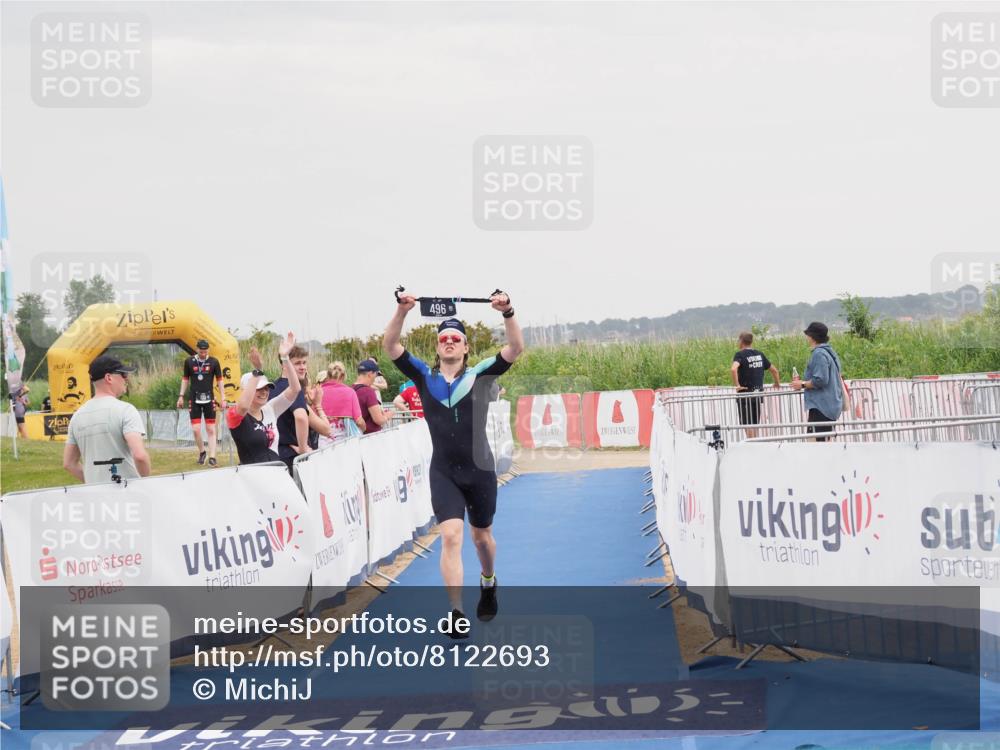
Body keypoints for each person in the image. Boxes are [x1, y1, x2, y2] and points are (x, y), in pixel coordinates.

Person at [384, 291, 524, 637]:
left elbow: (515, 347)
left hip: (480, 471)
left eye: (456, 338)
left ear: (465, 347)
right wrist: (402, 311)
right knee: (449, 536)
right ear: (437, 347)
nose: (449, 342)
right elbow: (390, 345)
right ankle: (457, 612)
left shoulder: (481, 374)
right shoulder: (423, 376)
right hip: (444, 472)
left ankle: (488, 581)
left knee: (482, 539)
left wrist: (508, 311)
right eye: (443, 338)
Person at [63, 356, 151, 484]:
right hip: (129, 491)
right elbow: (140, 456)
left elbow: (69, 464)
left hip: (96, 493)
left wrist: (93, 483)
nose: (126, 378)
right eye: (123, 374)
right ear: (109, 378)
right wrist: (146, 484)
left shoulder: (77, 416)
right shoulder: (126, 410)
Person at [227, 333, 302, 465]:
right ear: (246, 390)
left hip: (276, 471)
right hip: (252, 473)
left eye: (267, 388)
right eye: (259, 388)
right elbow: (243, 406)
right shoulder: (235, 415)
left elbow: (295, 389)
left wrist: (285, 358)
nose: (264, 392)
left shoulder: (270, 409)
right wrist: (257, 371)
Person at [250, 342, 312, 470]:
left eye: (304, 363)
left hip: (273, 455)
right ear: (285, 364)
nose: (303, 367)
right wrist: (303, 448)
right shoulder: (291, 389)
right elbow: (301, 417)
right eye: (297, 363)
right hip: (292, 457)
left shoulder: (272, 388)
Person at [791, 322, 846, 442]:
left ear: (812, 336)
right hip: (831, 405)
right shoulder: (830, 352)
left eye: (808, 335)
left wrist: (802, 384)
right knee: (825, 441)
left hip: (821, 407)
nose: (807, 337)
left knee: (815, 444)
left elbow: (821, 380)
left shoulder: (819, 353)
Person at [176, 339, 226, 467]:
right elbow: (185, 379)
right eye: (201, 351)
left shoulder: (214, 362)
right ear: (197, 349)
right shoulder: (189, 361)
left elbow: (220, 380)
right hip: (194, 399)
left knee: (211, 428)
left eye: (205, 351)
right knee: (196, 429)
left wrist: (223, 398)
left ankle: (212, 457)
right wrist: (181, 396)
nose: (203, 354)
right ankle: (202, 452)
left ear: (208, 350)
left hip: (209, 399)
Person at [730, 332, 780, 439]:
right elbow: (774, 370)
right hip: (757, 394)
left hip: (745, 395)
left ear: (741, 341)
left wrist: (737, 385)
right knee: (754, 423)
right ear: (751, 342)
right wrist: (777, 383)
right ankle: (755, 443)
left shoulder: (740, 355)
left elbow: (733, 369)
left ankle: (751, 445)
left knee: (747, 424)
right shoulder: (759, 354)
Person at [319, 361, 365, 445]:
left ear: (328, 375)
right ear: (343, 376)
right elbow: (359, 421)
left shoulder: (318, 392)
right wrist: (364, 428)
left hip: (323, 441)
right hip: (344, 442)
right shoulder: (350, 392)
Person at [352, 359, 389, 434]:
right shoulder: (368, 391)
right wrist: (388, 415)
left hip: (357, 434)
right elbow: (378, 420)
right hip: (371, 436)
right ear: (369, 374)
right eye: (375, 375)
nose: (375, 378)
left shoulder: (351, 389)